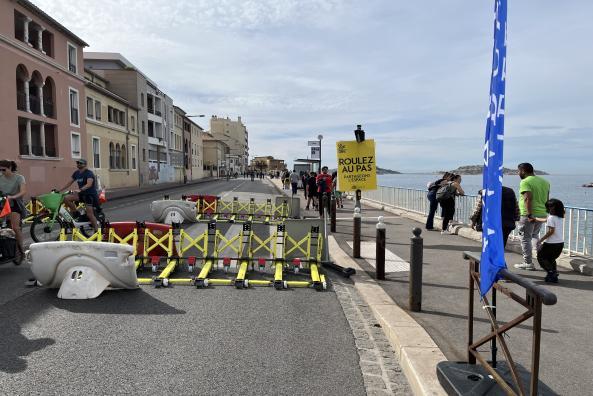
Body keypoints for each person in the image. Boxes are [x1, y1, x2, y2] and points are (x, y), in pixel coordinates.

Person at [514, 163, 550, 271]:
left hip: (527, 215)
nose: (518, 173)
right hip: (542, 214)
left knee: (525, 238)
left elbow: (527, 198)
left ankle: (528, 262)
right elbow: (547, 200)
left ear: (523, 171)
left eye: (518, 171)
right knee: (534, 236)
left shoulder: (525, 182)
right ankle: (544, 259)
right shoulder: (545, 182)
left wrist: (529, 214)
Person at [60, 159, 100, 232]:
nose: (78, 164)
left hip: (89, 195)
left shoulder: (89, 173)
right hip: (82, 194)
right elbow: (69, 183)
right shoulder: (76, 173)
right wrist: (59, 190)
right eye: (77, 163)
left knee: (89, 214)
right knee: (66, 198)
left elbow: (89, 184)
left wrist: (80, 189)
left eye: (80, 163)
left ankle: (97, 231)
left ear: (85, 165)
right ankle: (76, 213)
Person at [0, 159, 27, 260]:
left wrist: (13, 197)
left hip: (14, 204)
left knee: (15, 228)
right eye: (0, 170)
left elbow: (23, 191)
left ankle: (21, 251)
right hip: (2, 203)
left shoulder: (19, 178)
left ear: (10, 168)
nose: (2, 172)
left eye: (4, 170)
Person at [536, 199, 565, 283]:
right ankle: (553, 276)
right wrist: (535, 219)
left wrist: (540, 240)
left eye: (549, 207)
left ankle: (551, 272)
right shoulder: (559, 217)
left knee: (541, 257)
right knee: (551, 259)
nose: (548, 209)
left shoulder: (551, 218)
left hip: (551, 244)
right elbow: (546, 220)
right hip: (560, 243)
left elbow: (551, 231)